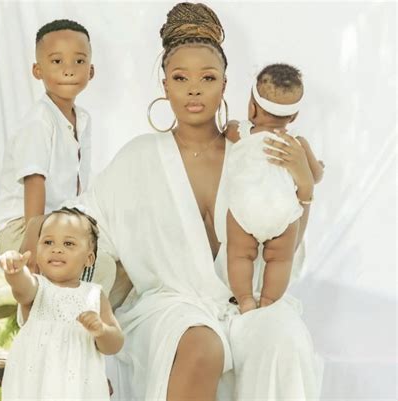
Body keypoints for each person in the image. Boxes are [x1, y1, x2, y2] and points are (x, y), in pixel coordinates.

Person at [77, 3, 323, 400]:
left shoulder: (255, 156)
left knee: (284, 337)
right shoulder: (139, 157)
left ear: (225, 85)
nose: (194, 89)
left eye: (207, 77)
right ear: (165, 86)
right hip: (170, 306)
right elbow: (88, 225)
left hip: (248, 303)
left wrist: (304, 189)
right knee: (201, 345)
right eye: (180, 78)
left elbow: (286, 246)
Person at [0, 19, 94, 258]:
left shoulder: (83, 119)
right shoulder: (39, 120)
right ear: (38, 71)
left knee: (107, 260)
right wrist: (33, 240)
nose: (69, 69)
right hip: (22, 225)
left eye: (79, 61)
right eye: (57, 61)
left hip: (57, 224)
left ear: (91, 70)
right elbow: (34, 181)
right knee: (83, 266)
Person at [226, 63, 324, 313]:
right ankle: (268, 301)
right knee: (281, 260)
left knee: (239, 254)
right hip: (283, 212)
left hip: (246, 208)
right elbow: (315, 176)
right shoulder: (297, 143)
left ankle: (245, 298)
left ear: (252, 106)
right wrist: (319, 167)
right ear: (294, 116)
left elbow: (226, 129)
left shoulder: (242, 132)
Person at [0, 207, 123, 400]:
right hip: (36, 385)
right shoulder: (38, 288)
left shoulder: (94, 295)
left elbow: (115, 344)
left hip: (79, 388)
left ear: (89, 258)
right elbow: (22, 288)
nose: (56, 249)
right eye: (48, 242)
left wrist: (102, 330)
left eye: (68, 243)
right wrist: (15, 271)